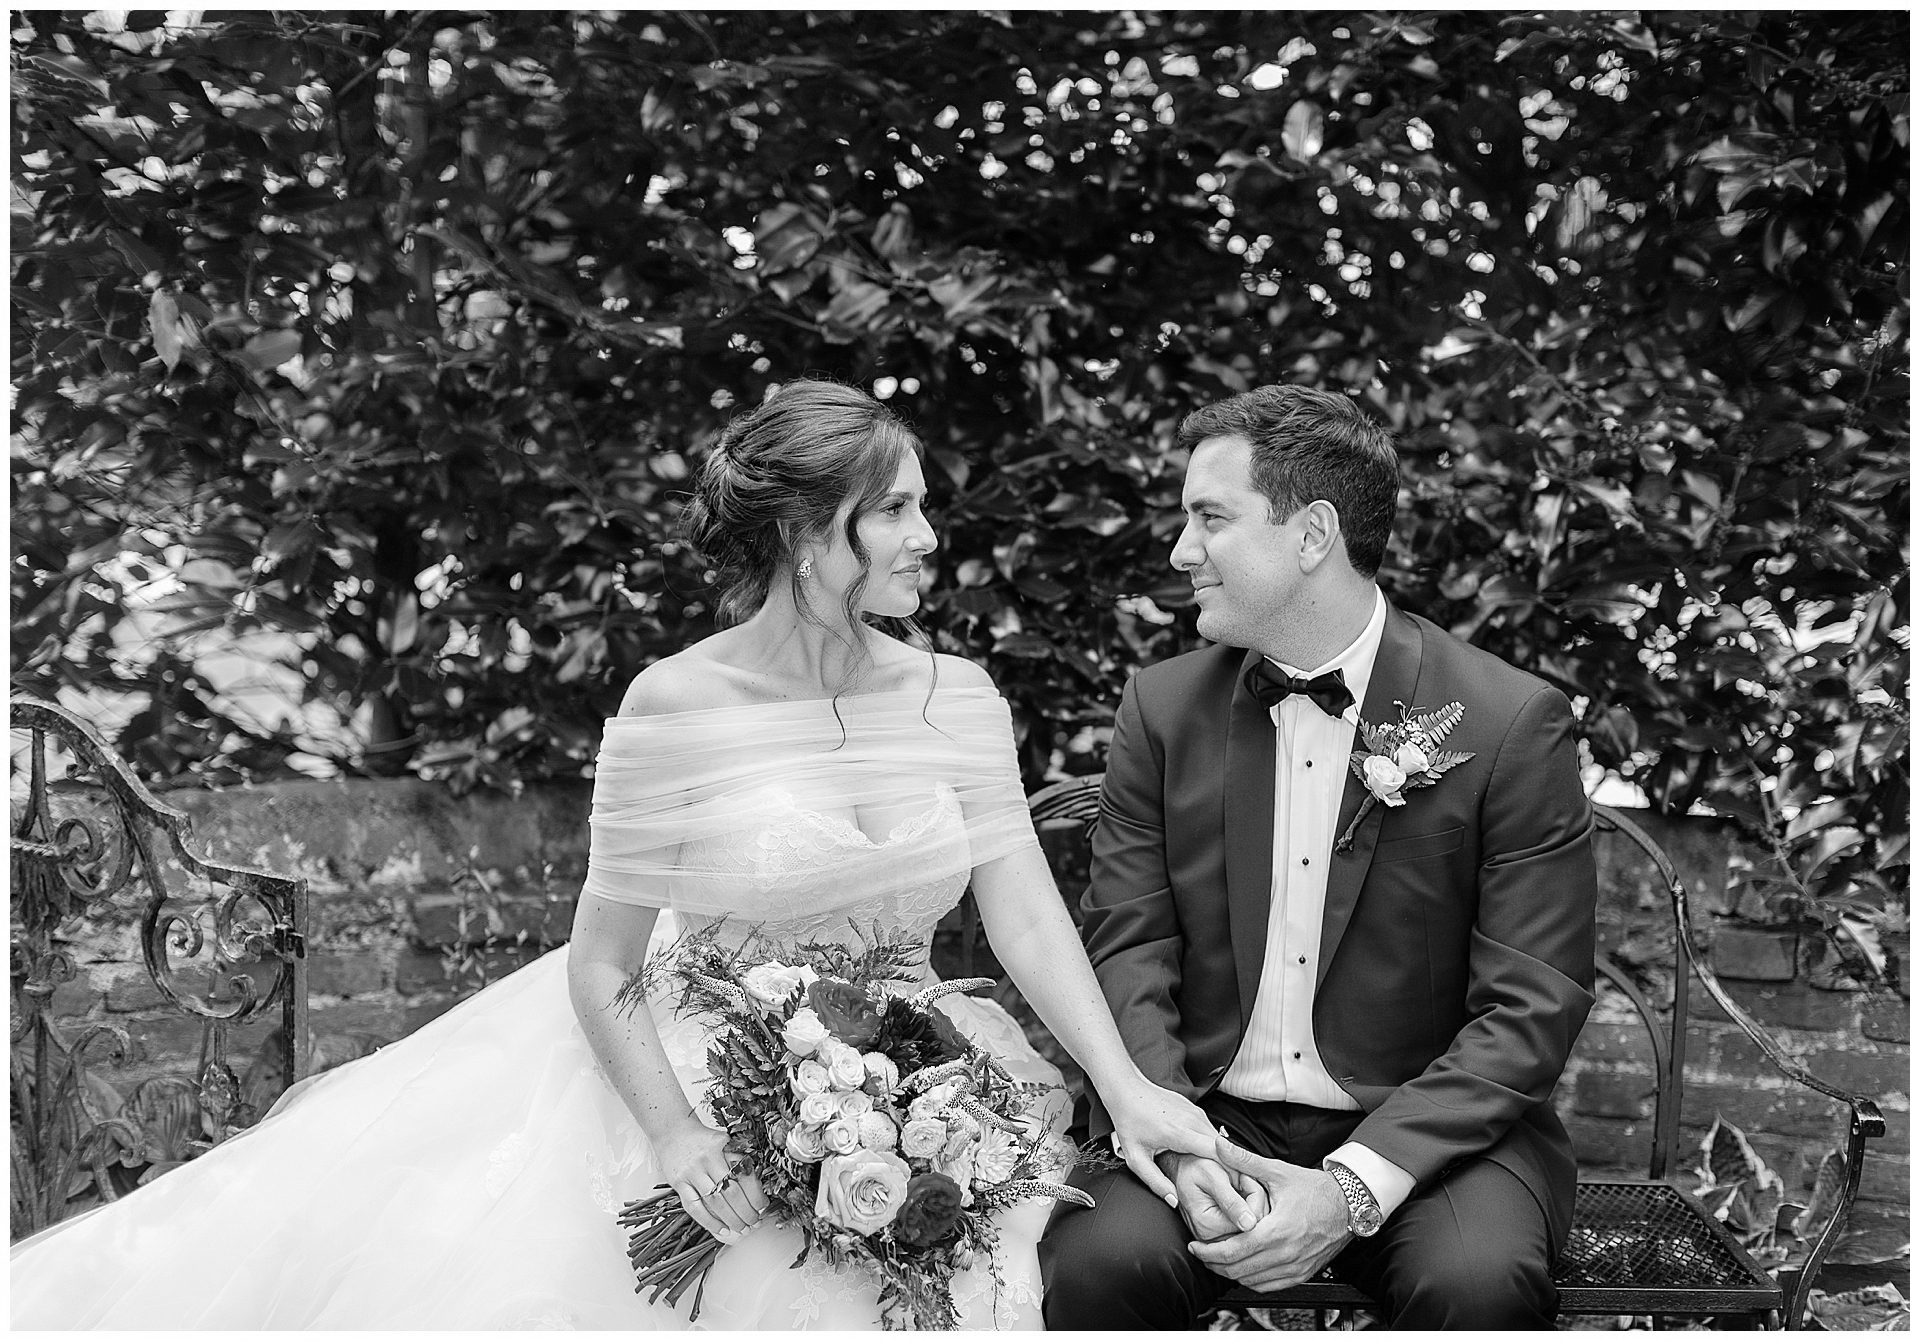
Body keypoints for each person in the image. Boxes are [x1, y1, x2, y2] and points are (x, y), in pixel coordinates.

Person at [10, 378, 1217, 1330]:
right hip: (700, 1075)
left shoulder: (957, 697)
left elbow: (1025, 915)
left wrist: (1126, 1088)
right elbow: (603, 963)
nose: (926, 536)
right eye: (894, 510)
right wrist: (681, 1137)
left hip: (924, 1077)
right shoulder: (674, 706)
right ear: (807, 531)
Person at [1039, 384, 1599, 1330]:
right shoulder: (1161, 711)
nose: (1181, 551)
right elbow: (1128, 947)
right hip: (1204, 1110)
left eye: (1210, 518)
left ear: (1312, 534)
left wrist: (1350, 1187)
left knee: (1476, 1285)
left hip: (1432, 1134)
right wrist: (1176, 1137)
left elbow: (1531, 1002)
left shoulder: (1508, 721)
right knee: (1100, 1264)